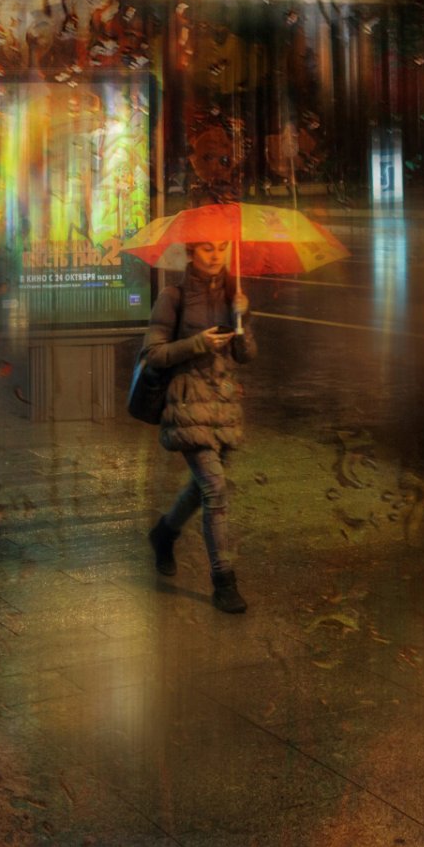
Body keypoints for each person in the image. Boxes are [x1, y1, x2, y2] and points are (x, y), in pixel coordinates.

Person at [139, 239, 258, 614]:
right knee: (216, 489)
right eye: (207, 248)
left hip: (223, 407)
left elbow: (246, 355)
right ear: (191, 253)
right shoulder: (172, 297)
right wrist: (196, 344)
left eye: (222, 248)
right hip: (188, 404)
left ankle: (164, 533)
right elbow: (154, 354)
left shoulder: (233, 294)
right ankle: (224, 581)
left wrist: (244, 319)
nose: (215, 255)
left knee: (202, 487)